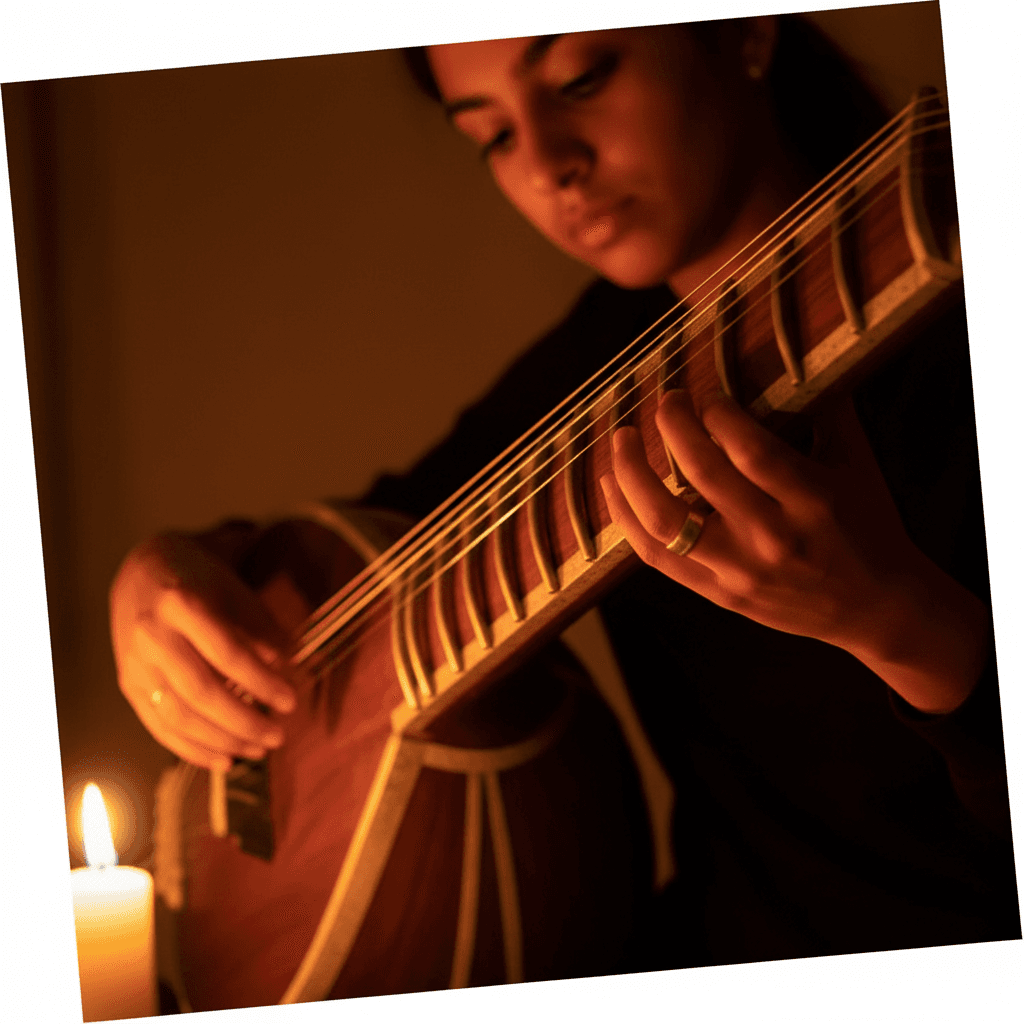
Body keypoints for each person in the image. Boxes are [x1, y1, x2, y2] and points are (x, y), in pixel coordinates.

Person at [110, 15, 1018, 978]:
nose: (548, 164)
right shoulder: (600, 369)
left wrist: (899, 620)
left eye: (582, 80)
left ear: (746, 33)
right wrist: (163, 570)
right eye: (492, 134)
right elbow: (384, 541)